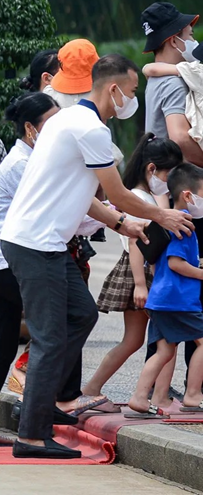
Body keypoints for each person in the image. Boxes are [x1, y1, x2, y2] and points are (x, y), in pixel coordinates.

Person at [0, 53, 193, 459]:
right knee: (51, 338)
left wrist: (123, 224)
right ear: (113, 89)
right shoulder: (90, 130)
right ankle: (31, 435)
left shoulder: (68, 121)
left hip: (43, 242)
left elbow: (86, 196)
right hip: (35, 244)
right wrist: (160, 214)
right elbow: (120, 193)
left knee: (82, 315)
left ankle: (52, 403)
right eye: (133, 90)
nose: (133, 98)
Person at [0, 92, 60, 446]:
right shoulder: (23, 164)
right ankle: (41, 407)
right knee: (56, 326)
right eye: (52, 123)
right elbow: (51, 211)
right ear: (30, 128)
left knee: (1, 347)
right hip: (7, 261)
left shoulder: (28, 158)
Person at [84, 133, 184, 409]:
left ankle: (92, 390)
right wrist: (141, 284)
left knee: (134, 340)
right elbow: (134, 241)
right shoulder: (139, 198)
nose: (170, 180)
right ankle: (158, 396)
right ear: (152, 169)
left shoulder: (145, 195)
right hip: (142, 272)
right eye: (169, 173)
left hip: (140, 271)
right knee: (169, 336)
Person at [127, 163, 203, 417]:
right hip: (177, 300)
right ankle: (193, 395)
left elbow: (158, 263)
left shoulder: (166, 223)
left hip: (163, 298)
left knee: (164, 351)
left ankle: (139, 397)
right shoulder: (184, 226)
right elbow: (175, 263)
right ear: (188, 195)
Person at [141, 2, 203, 165]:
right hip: (178, 180)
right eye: (190, 35)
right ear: (174, 41)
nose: (194, 41)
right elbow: (180, 138)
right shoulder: (173, 83)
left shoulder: (158, 79)